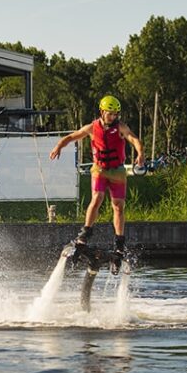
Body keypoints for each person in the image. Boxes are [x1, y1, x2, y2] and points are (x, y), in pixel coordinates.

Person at [49, 95, 144, 255]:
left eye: (115, 114)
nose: (112, 117)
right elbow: (72, 136)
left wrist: (140, 153)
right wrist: (59, 146)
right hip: (99, 169)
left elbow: (134, 139)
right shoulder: (92, 128)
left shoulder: (121, 127)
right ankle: (85, 233)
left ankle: (119, 243)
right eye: (110, 113)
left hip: (117, 170)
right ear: (102, 111)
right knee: (97, 197)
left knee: (118, 206)